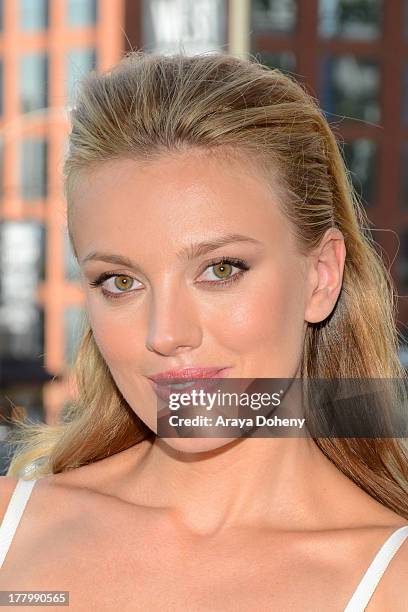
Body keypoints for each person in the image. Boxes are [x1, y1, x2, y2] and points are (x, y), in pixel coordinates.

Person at [0, 50, 407, 610]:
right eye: (120, 282)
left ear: (320, 276)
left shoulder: (392, 580)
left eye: (220, 270)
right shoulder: (11, 530)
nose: (165, 333)